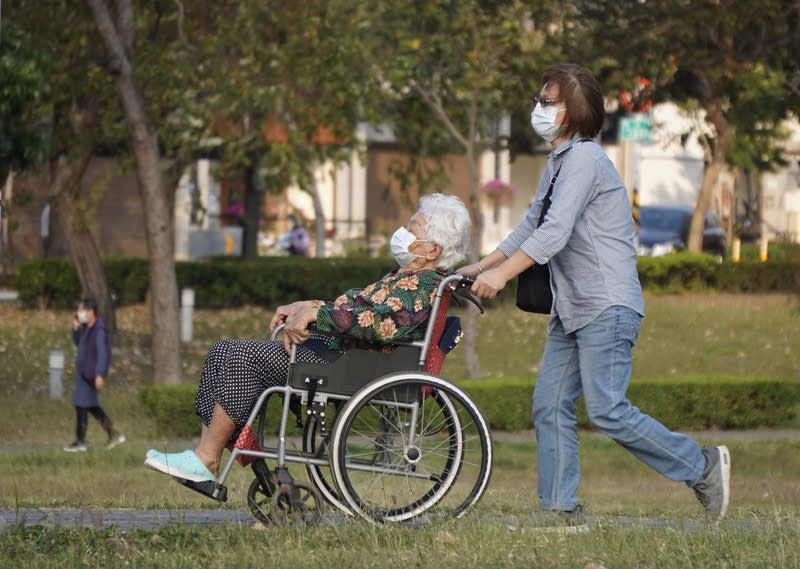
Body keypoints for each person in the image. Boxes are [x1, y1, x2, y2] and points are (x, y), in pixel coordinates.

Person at [459, 64, 730, 523]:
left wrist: (502, 277)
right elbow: (532, 224)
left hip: (605, 304)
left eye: (548, 101)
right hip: (573, 308)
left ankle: (701, 466)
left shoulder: (585, 159)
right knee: (549, 403)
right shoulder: (560, 160)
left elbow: (555, 233)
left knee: (608, 409)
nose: (538, 108)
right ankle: (559, 508)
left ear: (575, 110)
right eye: (539, 99)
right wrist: (481, 265)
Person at [144, 193, 471, 483]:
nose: (403, 232)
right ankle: (209, 454)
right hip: (339, 354)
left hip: (349, 364)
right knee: (223, 350)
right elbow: (354, 309)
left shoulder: (423, 284)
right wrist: (307, 306)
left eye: (412, 229)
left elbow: (381, 325)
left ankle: (207, 458)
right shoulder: (403, 277)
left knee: (243, 357)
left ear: (432, 249)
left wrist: (319, 315)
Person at [63, 297, 126, 452]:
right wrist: (75, 329)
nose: (80, 313)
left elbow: (103, 354)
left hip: (90, 374)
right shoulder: (86, 328)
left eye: (82, 310)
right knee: (91, 407)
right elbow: (79, 343)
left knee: (81, 405)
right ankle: (114, 434)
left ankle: (81, 441)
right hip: (84, 374)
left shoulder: (99, 330)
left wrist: (99, 374)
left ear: (91, 311)